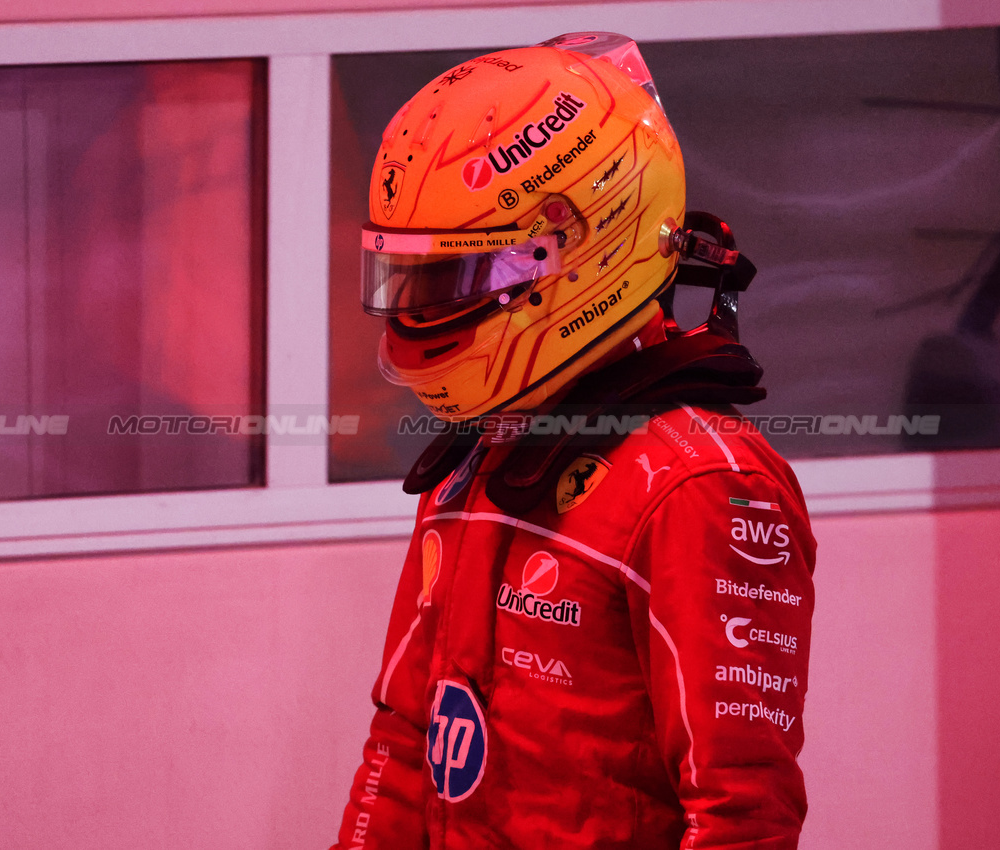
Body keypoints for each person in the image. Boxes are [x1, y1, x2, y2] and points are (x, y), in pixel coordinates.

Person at [332, 32, 817, 850]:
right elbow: (405, 736)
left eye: (453, 281)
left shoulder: (701, 484)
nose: (419, 315)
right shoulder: (486, 448)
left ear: (576, 248)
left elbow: (741, 814)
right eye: (408, 282)